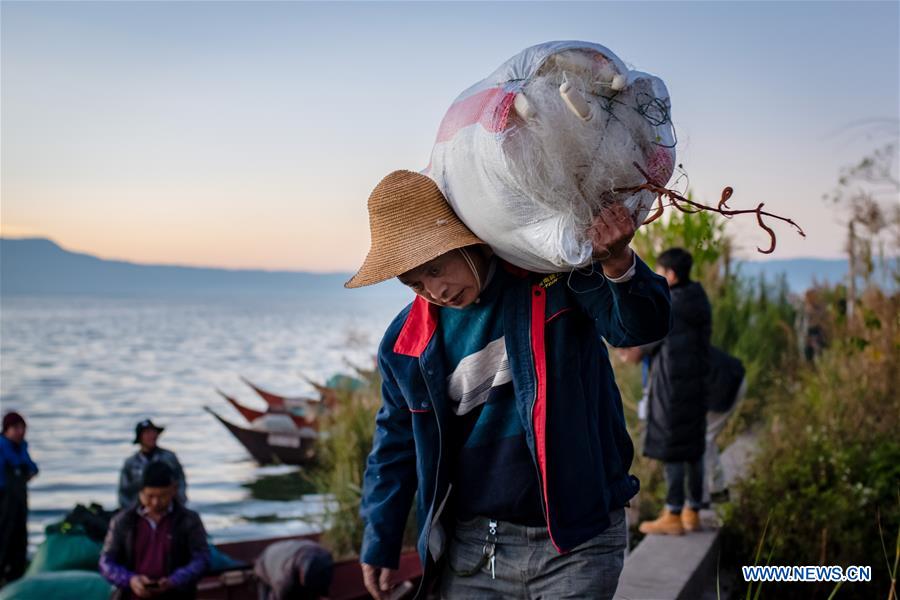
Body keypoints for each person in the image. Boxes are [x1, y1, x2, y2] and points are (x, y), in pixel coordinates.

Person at [345, 171, 671, 599]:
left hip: (578, 541)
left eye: (435, 268)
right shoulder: (405, 345)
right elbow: (394, 447)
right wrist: (380, 540)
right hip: (473, 553)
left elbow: (639, 328)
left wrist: (617, 262)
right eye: (415, 282)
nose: (435, 290)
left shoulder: (552, 276)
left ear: (466, 240)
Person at [626, 247, 711, 536]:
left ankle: (673, 513)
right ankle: (692, 512)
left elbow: (639, 349)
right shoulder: (698, 299)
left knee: (673, 449)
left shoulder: (670, 304)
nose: (658, 276)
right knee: (693, 449)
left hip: (671, 388)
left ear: (671, 275)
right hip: (697, 385)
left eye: (660, 271)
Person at [100, 461, 209, 599]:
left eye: (162, 495)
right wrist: (131, 580)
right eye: (150, 496)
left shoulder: (189, 520)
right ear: (140, 492)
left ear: (174, 490)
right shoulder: (122, 521)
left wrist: (174, 581)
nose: (156, 502)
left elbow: (201, 559)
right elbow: (106, 562)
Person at [703, 346, 746, 505]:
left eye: (625, 351)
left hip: (724, 384)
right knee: (706, 438)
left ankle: (712, 492)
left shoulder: (664, 349)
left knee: (704, 439)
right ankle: (716, 490)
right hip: (729, 377)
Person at [0, 412, 39, 584]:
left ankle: (16, 579)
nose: (21, 431)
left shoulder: (21, 447)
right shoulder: (2, 447)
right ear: (6, 429)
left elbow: (32, 468)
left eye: (23, 428)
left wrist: (27, 472)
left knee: (20, 540)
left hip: (19, 503)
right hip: (3, 502)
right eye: (16, 428)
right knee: (4, 539)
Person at [119, 419, 187, 509]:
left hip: (168, 508)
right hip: (138, 509)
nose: (151, 436)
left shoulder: (169, 457)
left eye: (153, 432)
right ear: (140, 437)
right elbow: (124, 492)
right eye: (147, 433)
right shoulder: (130, 463)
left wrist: (179, 504)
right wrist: (130, 512)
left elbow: (180, 482)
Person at [254, 539, 334, 600]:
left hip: (290, 554)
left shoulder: (325, 558)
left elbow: (323, 593)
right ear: (300, 575)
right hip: (264, 564)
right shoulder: (283, 581)